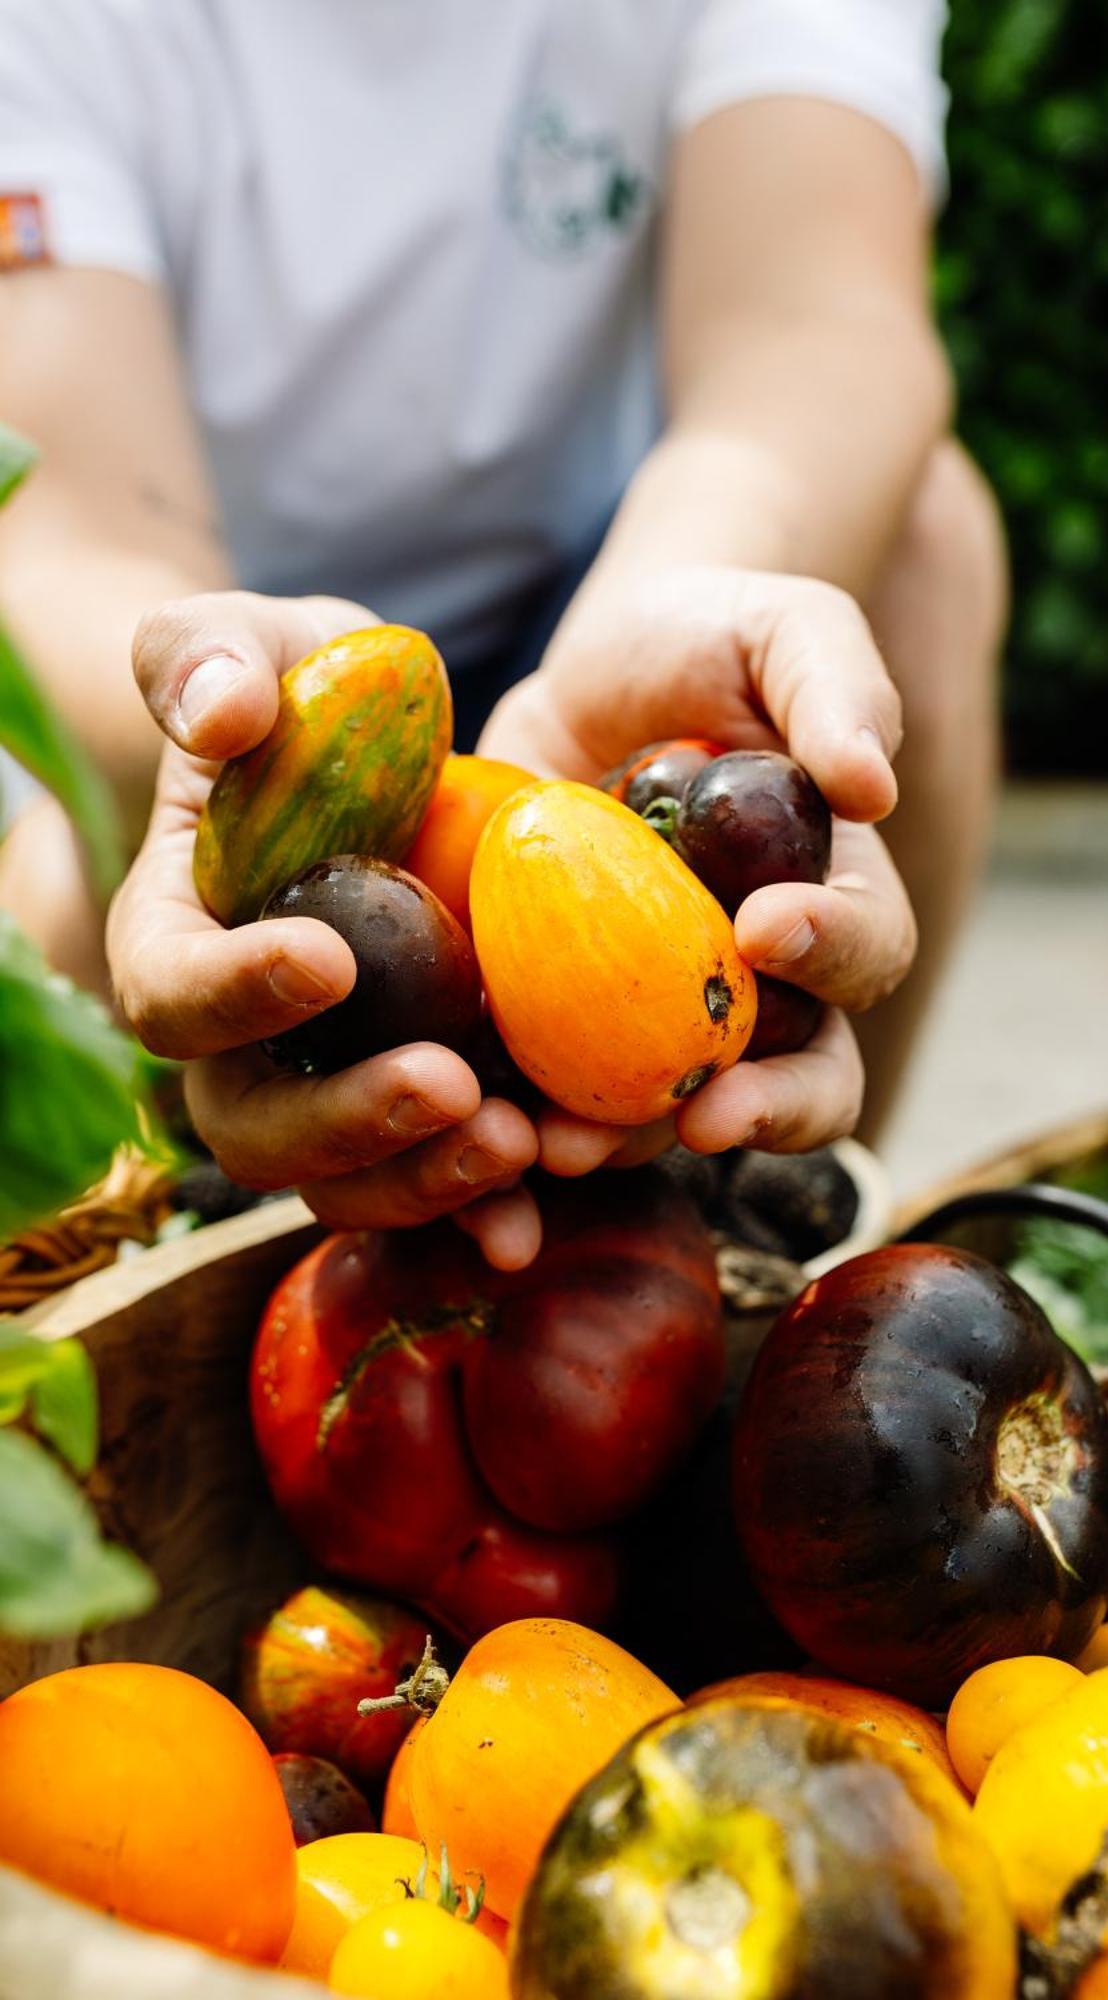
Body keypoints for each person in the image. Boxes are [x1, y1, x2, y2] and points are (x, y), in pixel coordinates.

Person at [0, 0, 1006, 1267]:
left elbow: (818, 325)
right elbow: (70, 516)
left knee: (924, 539)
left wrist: (679, 597)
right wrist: (209, 722)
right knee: (85, 868)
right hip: (275, 684)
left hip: (602, 619)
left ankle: (776, 1238)